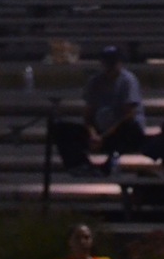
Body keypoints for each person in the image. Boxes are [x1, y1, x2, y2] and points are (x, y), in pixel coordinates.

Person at [53, 46, 145, 175]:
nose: (110, 67)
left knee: (130, 127)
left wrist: (103, 136)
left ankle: (111, 162)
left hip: (119, 132)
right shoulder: (95, 82)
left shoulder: (128, 81)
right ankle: (79, 165)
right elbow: (88, 114)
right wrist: (93, 134)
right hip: (99, 131)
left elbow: (128, 115)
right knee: (60, 128)